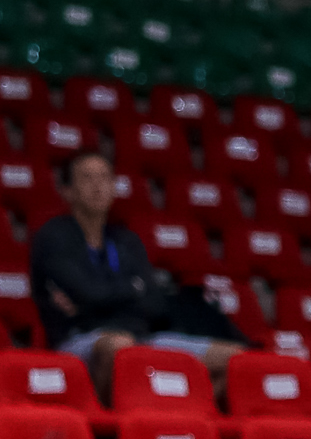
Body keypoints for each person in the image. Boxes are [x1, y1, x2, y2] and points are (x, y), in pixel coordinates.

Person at [28, 148, 243, 398]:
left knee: (236, 358)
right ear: (67, 190)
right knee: (119, 345)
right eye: (87, 178)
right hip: (78, 338)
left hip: (140, 335)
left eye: (104, 178)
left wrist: (96, 300)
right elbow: (90, 294)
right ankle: (106, 422)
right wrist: (131, 289)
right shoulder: (53, 237)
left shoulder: (126, 240)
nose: (97, 186)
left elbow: (154, 303)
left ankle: (176, 414)